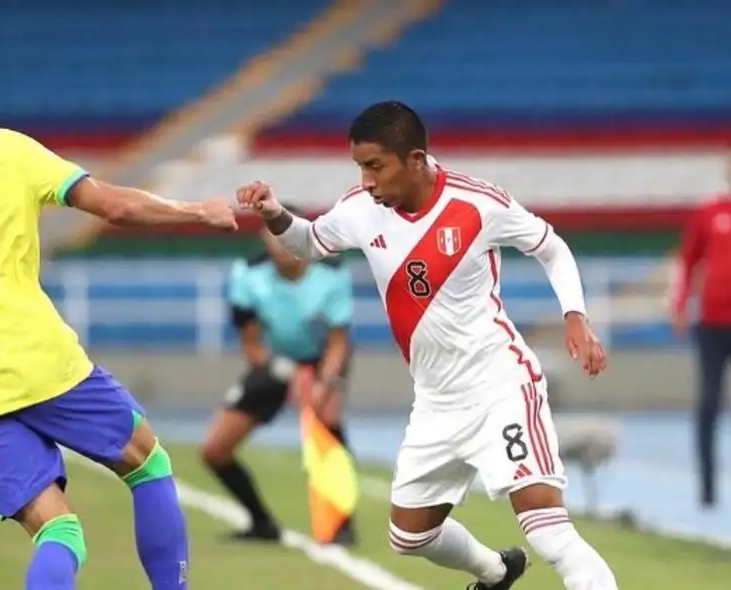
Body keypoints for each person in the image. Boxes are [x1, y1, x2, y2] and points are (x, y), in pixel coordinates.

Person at [0, 38, 236, 590]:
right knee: (148, 465)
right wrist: (198, 210)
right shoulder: (5, 150)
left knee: (60, 533)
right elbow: (114, 205)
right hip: (45, 365)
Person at [237, 101, 617, 589]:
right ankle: (497, 571)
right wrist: (275, 215)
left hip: (499, 386)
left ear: (415, 160)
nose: (367, 180)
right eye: (360, 167)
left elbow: (551, 247)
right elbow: (308, 244)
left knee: (549, 532)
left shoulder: (477, 204)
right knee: (410, 535)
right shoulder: (360, 210)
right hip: (437, 402)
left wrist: (575, 315)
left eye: (375, 166)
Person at [200, 211, 356, 544]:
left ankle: (342, 523)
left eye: (287, 235)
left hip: (323, 359)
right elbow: (251, 343)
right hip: (275, 361)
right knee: (215, 449)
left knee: (327, 424)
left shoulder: (331, 272)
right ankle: (261, 523)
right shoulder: (247, 273)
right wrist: (285, 372)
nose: (282, 244)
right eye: (273, 236)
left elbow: (338, 342)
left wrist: (324, 383)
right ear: (264, 240)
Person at [670, 181, 731, 509]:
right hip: (713, 322)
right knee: (709, 401)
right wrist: (680, 303)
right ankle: (707, 486)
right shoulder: (710, 213)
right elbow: (688, 259)